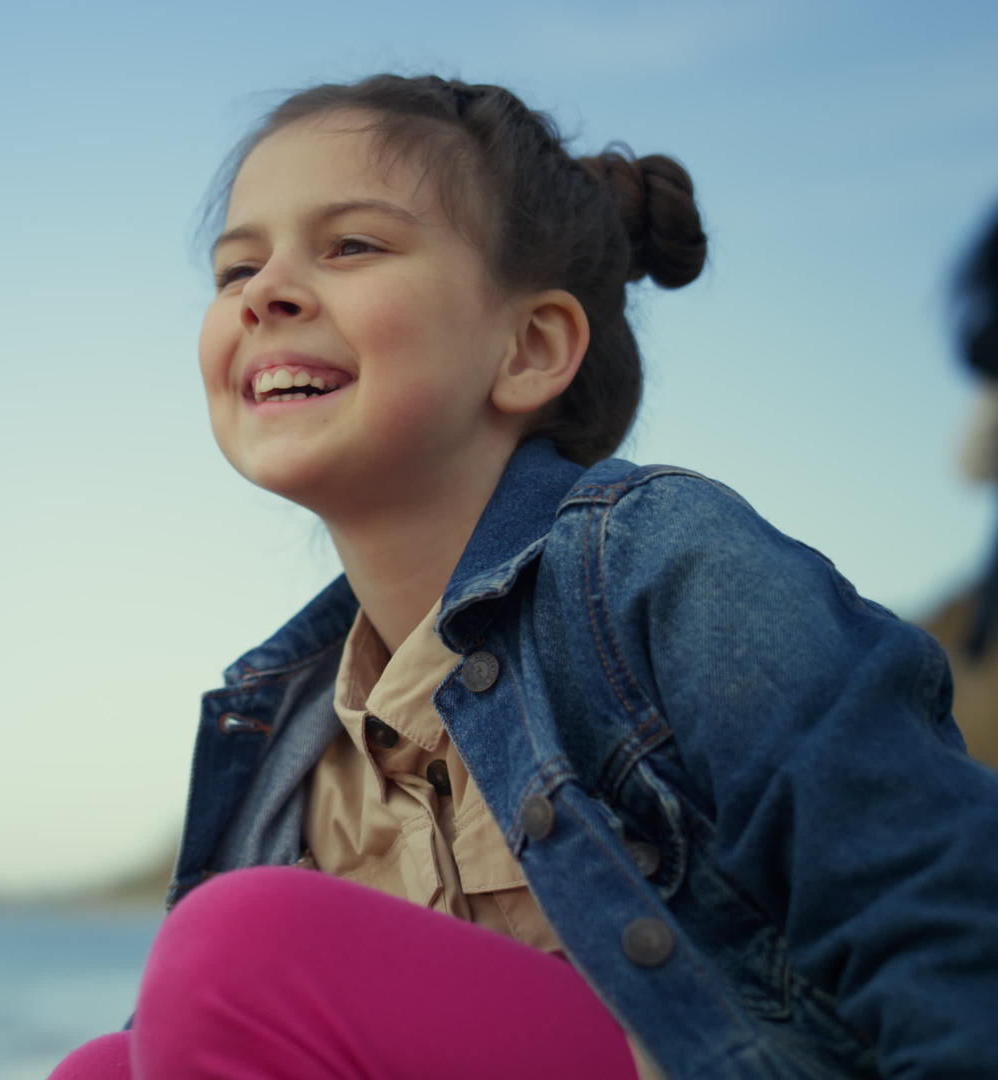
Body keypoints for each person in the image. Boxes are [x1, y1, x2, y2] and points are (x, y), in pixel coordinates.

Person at [49, 74, 998, 1079]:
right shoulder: (283, 729)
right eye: (236, 266)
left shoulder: (656, 562)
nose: (264, 293)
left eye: (352, 246)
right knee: (102, 1068)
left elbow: (928, 895)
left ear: (531, 347)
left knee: (238, 951)